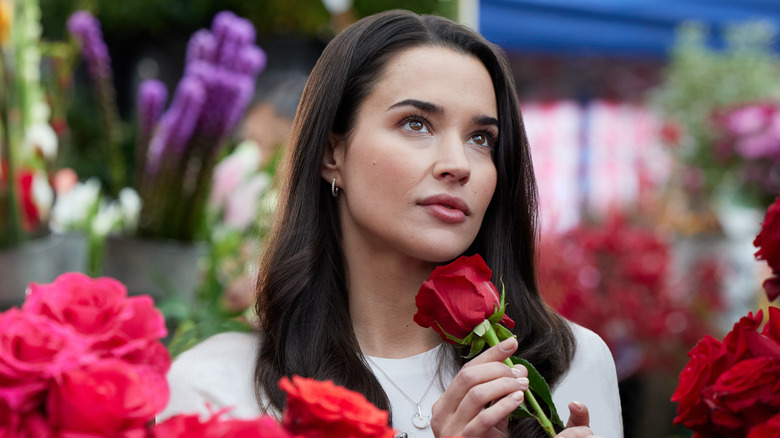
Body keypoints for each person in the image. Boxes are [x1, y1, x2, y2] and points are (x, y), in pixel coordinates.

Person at [161, 9, 622, 438]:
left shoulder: (570, 368)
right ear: (331, 152)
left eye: (481, 138)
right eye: (416, 124)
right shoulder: (219, 388)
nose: (457, 164)